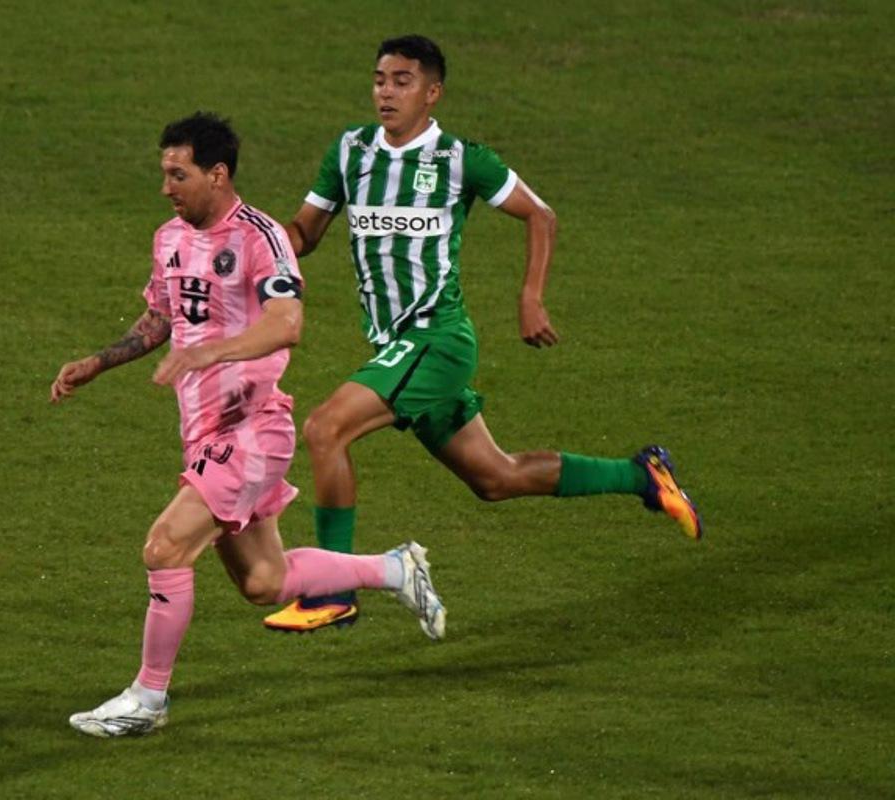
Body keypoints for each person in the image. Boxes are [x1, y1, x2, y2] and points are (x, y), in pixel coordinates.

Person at [262, 35, 702, 634]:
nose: (385, 92)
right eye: (379, 79)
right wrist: (253, 245)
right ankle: (642, 474)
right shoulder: (351, 151)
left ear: (432, 92)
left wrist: (530, 297)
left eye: (402, 81)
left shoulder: (459, 159)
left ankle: (333, 587)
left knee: (323, 429)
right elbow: (305, 233)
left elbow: (539, 214)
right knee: (496, 478)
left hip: (435, 341)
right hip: (397, 346)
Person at [50, 112, 445, 737]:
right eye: (163, 175)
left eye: (177, 175)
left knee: (164, 547)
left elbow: (287, 323)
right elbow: (161, 319)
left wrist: (210, 352)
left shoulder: (262, 237)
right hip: (204, 430)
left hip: (253, 428)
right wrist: (98, 362)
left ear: (218, 173)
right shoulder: (169, 238)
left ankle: (147, 701)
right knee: (266, 581)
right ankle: (396, 569)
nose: (166, 188)